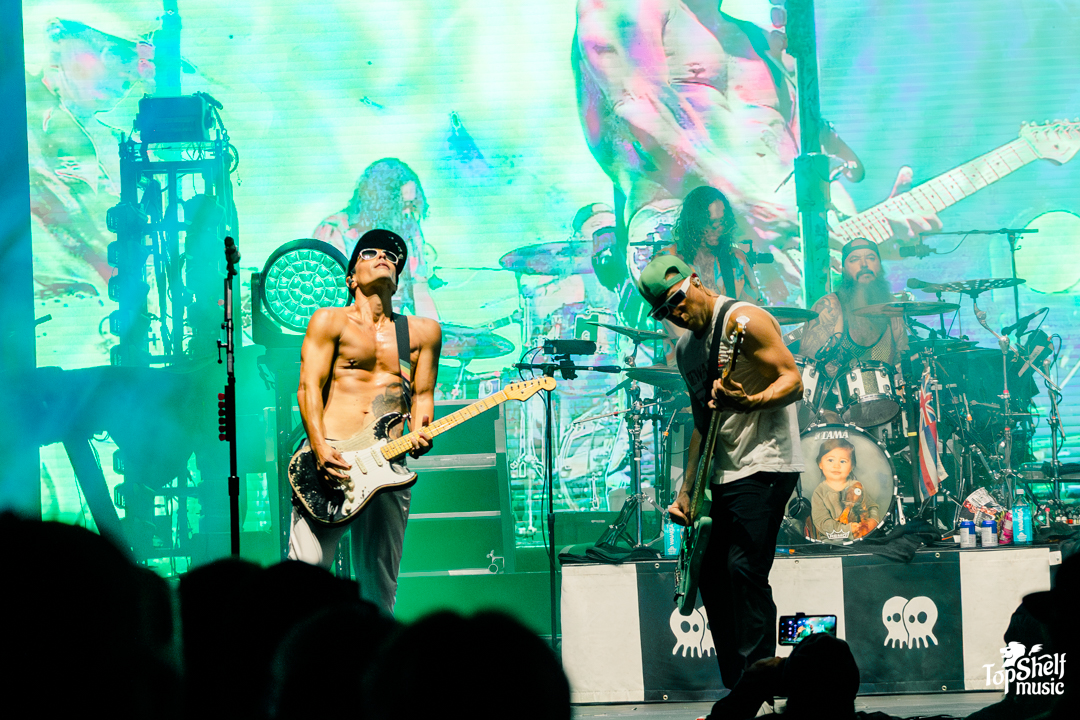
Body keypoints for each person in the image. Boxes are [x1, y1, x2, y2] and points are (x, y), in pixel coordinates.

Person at [573, 0, 942, 305]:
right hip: (686, 240)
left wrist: (858, 239)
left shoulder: (765, 45)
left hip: (782, 260)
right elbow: (640, 111)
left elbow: (799, 163)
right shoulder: (623, 7)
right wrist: (743, 207)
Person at [635, 253, 804, 691]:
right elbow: (702, 424)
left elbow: (792, 380)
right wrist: (687, 490)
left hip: (766, 462)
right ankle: (740, 687)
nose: (675, 313)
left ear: (694, 280)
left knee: (743, 571)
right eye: (664, 311)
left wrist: (750, 402)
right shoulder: (685, 350)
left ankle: (761, 686)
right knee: (711, 577)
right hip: (724, 472)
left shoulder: (744, 320)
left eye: (677, 299)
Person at [287, 229, 442, 613]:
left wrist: (421, 431)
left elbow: (422, 395)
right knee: (305, 580)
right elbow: (308, 387)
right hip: (331, 459)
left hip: (388, 466)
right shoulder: (329, 321)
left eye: (392, 255)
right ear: (351, 278)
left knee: (380, 586)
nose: (384, 256)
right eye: (369, 252)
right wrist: (320, 449)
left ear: (398, 280)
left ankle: (375, 649)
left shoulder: (422, 332)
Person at [313, 159, 440, 319]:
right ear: (379, 204)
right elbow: (328, 303)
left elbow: (420, 292)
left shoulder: (408, 227)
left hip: (395, 325)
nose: (407, 213)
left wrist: (436, 331)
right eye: (401, 206)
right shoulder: (333, 230)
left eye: (411, 204)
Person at [798, 237, 909, 369]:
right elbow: (807, 369)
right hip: (834, 383)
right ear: (844, 269)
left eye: (871, 258)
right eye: (854, 259)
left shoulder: (892, 308)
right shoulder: (829, 306)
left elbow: (902, 364)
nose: (864, 264)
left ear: (880, 265)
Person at [674, 185, 763, 304]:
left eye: (721, 221)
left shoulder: (737, 259)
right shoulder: (670, 260)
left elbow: (753, 306)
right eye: (709, 222)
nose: (717, 227)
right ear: (693, 224)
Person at [810, 438, 880, 541]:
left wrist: (873, 520)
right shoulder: (820, 492)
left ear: (851, 466)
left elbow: (871, 506)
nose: (836, 466)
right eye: (830, 460)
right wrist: (847, 529)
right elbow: (822, 522)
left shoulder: (857, 486)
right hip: (832, 541)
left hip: (860, 538)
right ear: (820, 463)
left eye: (843, 461)